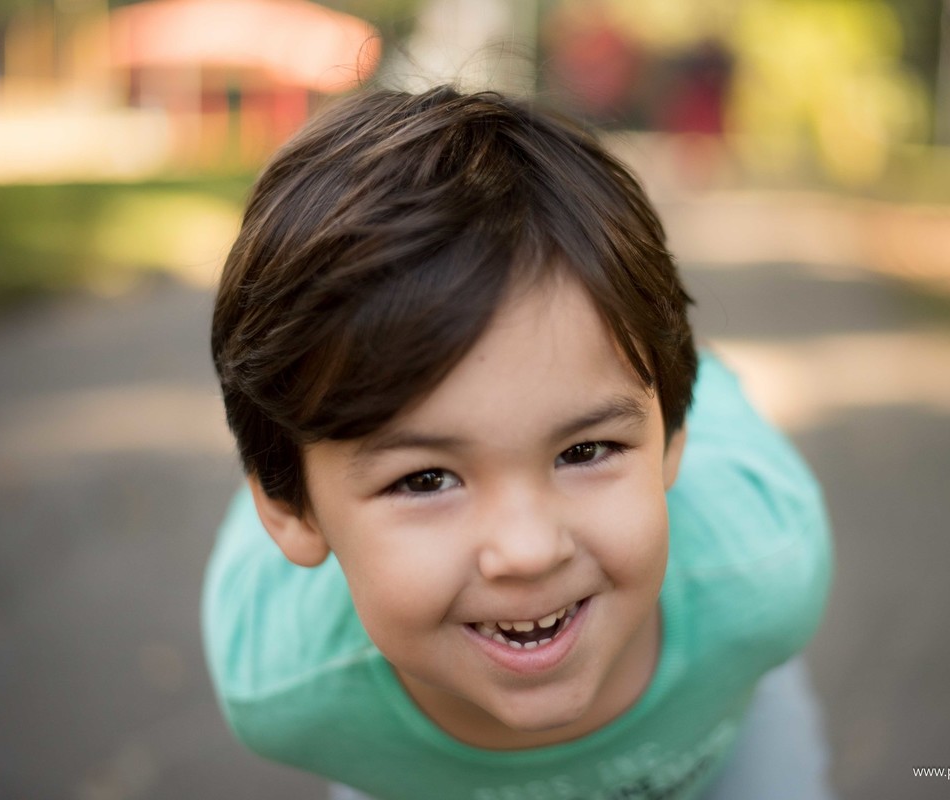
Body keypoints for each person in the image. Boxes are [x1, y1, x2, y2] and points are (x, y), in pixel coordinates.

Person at [204, 86, 834, 799]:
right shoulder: (285, 685)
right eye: (425, 479)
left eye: (585, 451)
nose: (530, 551)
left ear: (670, 441)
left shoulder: (761, 573)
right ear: (292, 513)